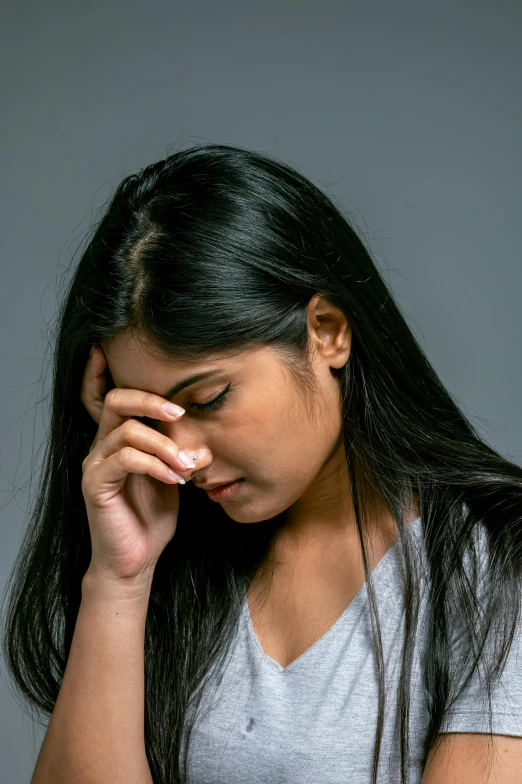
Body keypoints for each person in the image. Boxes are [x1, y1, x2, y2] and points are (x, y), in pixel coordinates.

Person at [2, 143, 522, 784]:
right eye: (150, 418)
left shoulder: (494, 566)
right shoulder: (178, 560)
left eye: (209, 398)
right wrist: (119, 579)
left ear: (326, 331)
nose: (184, 457)